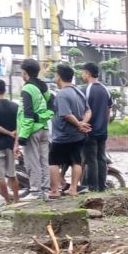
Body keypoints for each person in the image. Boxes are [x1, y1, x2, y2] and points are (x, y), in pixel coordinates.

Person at [49, 63, 91, 198]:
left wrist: (79, 124)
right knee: (76, 161)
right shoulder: (78, 91)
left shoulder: (61, 94)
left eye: (56, 75)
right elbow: (88, 110)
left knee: (53, 161)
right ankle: (73, 189)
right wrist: (83, 124)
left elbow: (66, 114)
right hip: (77, 136)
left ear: (59, 77)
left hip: (62, 135)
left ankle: (55, 191)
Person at [18, 59, 54, 201]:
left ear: (25, 73)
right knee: (44, 161)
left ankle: (35, 192)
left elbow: (27, 114)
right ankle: (45, 190)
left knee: (32, 161)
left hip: (32, 130)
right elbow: (52, 107)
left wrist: (23, 135)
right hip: (44, 128)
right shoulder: (43, 86)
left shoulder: (27, 88)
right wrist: (42, 117)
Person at [81, 62, 111, 192]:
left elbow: (83, 110)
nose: (82, 75)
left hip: (90, 130)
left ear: (88, 73)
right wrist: (104, 124)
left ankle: (93, 188)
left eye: (83, 72)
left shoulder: (86, 90)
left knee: (91, 159)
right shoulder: (105, 89)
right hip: (103, 130)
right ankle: (102, 186)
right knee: (101, 158)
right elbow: (108, 110)